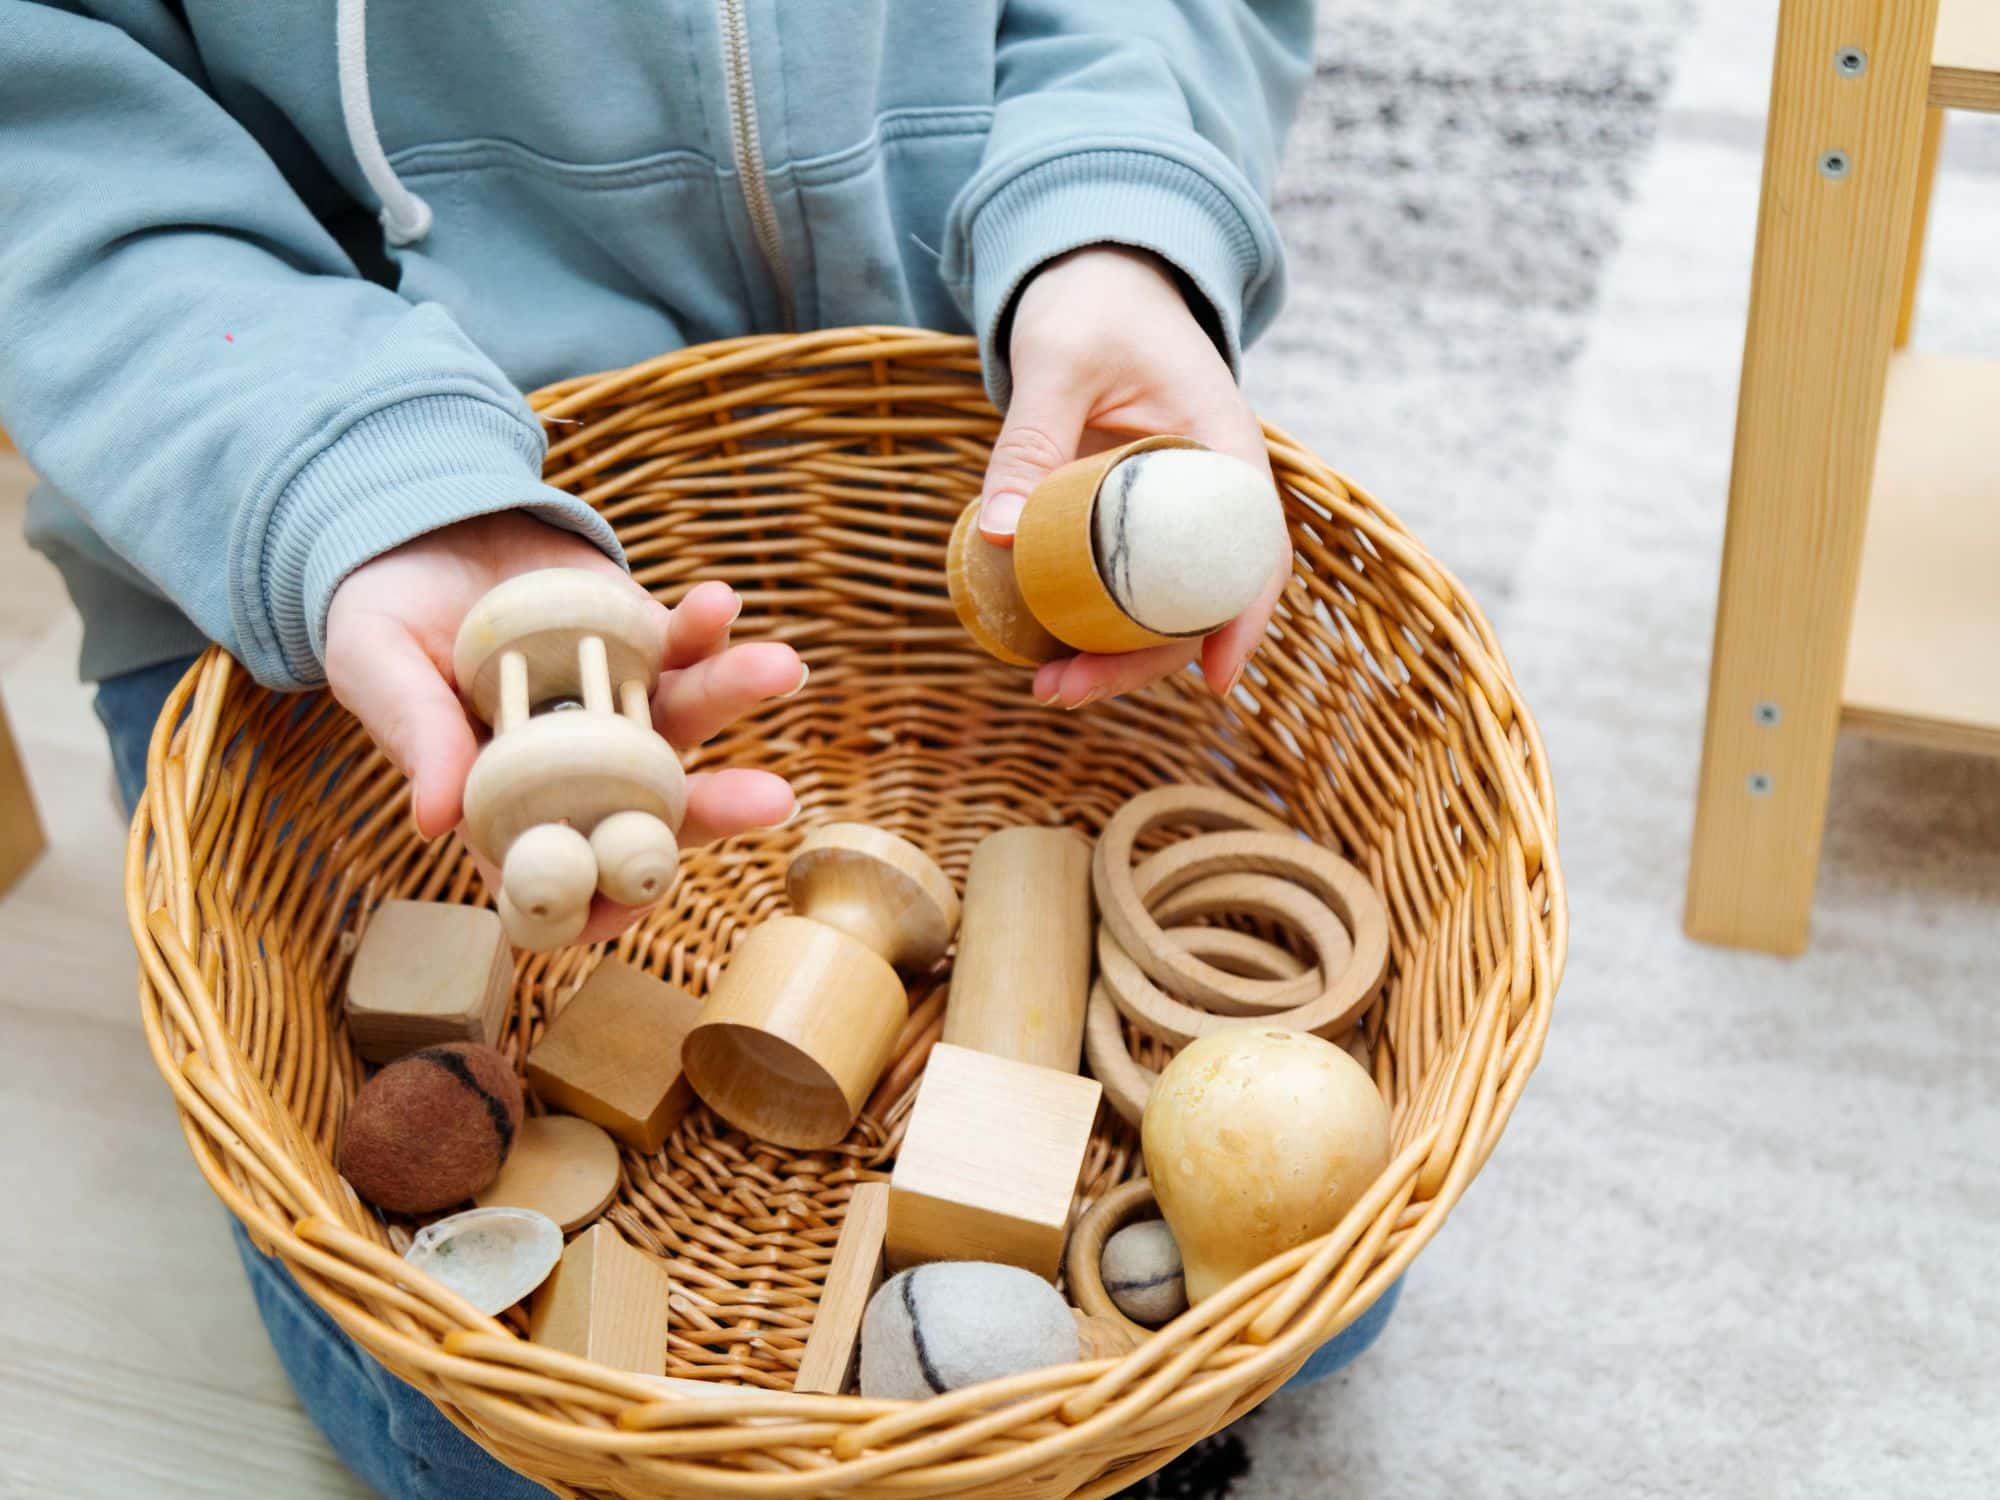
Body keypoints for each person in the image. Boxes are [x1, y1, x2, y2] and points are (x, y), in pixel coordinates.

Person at [6, 3, 1394, 1493]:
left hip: (955, 408)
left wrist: (1113, 214)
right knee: (473, 1445)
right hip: (294, 512)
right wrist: (356, 476)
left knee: (1322, 1290)